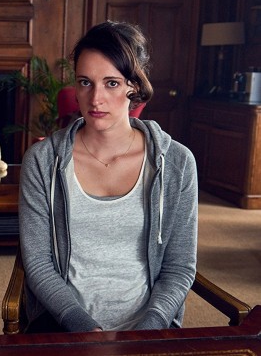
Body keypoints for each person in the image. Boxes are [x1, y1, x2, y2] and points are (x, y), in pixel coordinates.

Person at [19, 21, 198, 333]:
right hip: (64, 323)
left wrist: (148, 330)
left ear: (134, 86)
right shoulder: (42, 160)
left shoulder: (177, 162)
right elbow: (38, 263)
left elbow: (179, 267)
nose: (95, 99)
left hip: (150, 328)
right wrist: (83, 327)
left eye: (111, 83)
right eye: (85, 82)